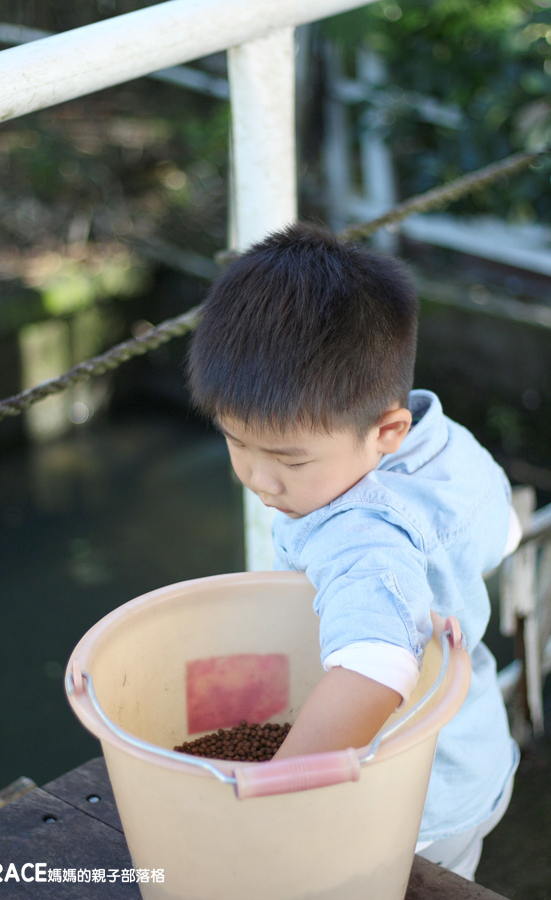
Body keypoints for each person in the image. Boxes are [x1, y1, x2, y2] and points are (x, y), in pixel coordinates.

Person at [186, 221, 520, 880]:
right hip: (473, 754)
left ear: (384, 431)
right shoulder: (440, 443)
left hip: (408, 807)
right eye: (236, 442)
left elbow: (373, 669)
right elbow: (501, 531)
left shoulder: (357, 534)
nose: (258, 478)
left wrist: (270, 797)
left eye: (287, 458)